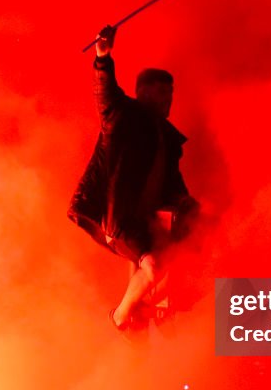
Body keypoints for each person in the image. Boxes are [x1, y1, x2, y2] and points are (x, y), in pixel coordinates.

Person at [69, 25, 198, 331]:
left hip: (143, 219)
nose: (169, 99)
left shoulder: (166, 136)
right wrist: (103, 56)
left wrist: (187, 202)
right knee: (152, 268)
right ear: (144, 91)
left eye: (171, 92)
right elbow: (105, 91)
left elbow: (171, 179)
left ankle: (142, 314)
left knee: (177, 259)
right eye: (163, 91)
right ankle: (121, 317)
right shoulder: (122, 116)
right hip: (117, 217)